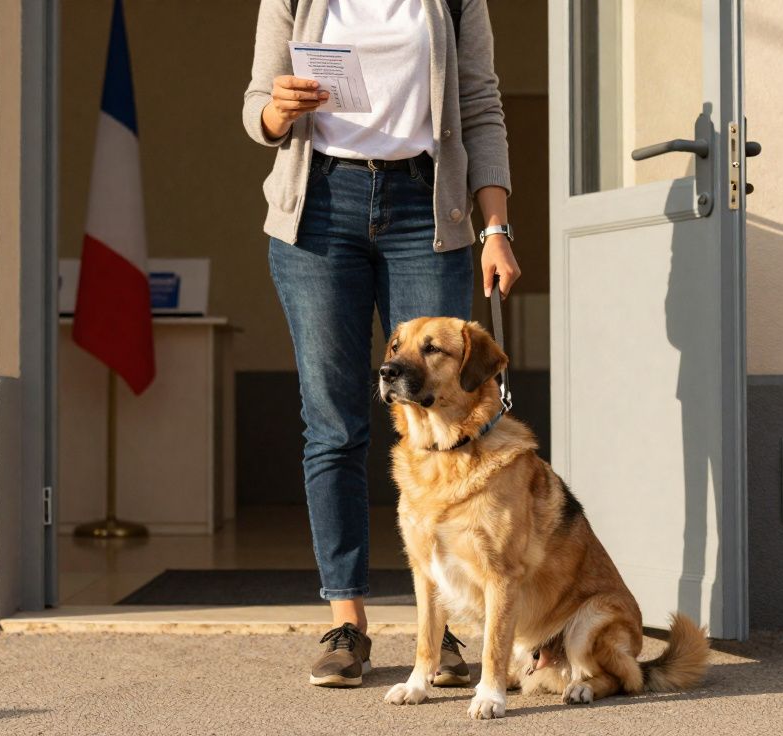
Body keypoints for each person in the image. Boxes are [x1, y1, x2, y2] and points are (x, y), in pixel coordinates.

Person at [242, 0, 519, 688]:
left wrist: (494, 228)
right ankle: (348, 623)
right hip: (320, 206)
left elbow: (481, 105)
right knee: (333, 423)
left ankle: (442, 626)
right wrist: (279, 111)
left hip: (422, 206)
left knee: (443, 423)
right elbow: (257, 110)